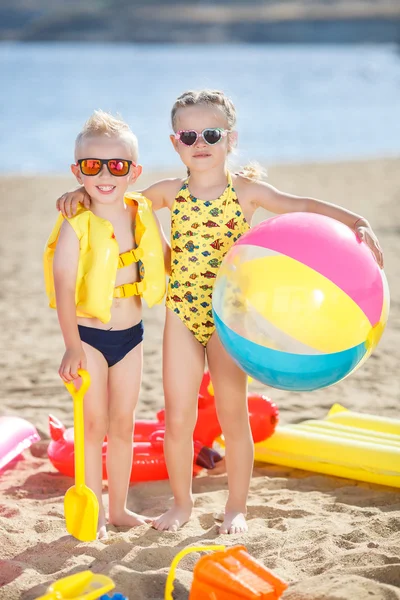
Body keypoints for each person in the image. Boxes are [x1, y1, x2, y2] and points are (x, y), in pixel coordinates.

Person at [56, 90, 383, 534]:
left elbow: (301, 206)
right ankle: (181, 505)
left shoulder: (245, 192)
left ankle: (236, 507)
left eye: (210, 133)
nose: (200, 143)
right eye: (188, 135)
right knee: (179, 416)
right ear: (175, 143)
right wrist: (80, 188)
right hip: (182, 314)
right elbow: (114, 194)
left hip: (231, 320)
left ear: (230, 139)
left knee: (232, 413)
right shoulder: (168, 193)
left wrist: (355, 221)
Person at [45, 110, 169, 539]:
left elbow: (163, 257)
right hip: (89, 338)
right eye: (91, 166)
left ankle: (118, 509)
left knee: (123, 424)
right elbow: (64, 289)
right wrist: (72, 346)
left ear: (133, 172)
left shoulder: (139, 213)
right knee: (92, 425)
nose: (104, 175)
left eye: (116, 166)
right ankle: (94, 510)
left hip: (132, 338)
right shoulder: (75, 224)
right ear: (77, 171)